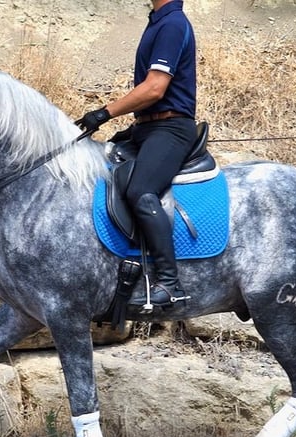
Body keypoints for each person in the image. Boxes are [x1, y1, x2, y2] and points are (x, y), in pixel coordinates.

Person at [76, 0, 197, 309]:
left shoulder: (173, 23)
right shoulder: (157, 20)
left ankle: (170, 283)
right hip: (145, 128)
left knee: (141, 190)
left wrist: (105, 113)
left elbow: (155, 88)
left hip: (170, 129)